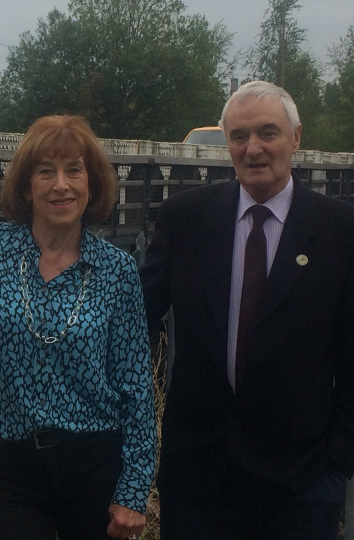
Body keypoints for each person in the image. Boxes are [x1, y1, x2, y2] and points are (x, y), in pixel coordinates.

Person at [140, 81, 354, 539]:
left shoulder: (340, 231)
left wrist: (338, 462)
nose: (252, 148)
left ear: (296, 137)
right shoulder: (185, 218)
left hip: (300, 485)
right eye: (238, 136)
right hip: (198, 482)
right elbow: (132, 318)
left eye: (267, 133)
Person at [0, 115, 157, 540]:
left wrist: (135, 489)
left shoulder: (116, 270)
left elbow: (136, 385)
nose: (60, 184)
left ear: (92, 182)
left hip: (94, 467)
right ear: (27, 185)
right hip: (10, 468)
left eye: (73, 170)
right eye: (45, 171)